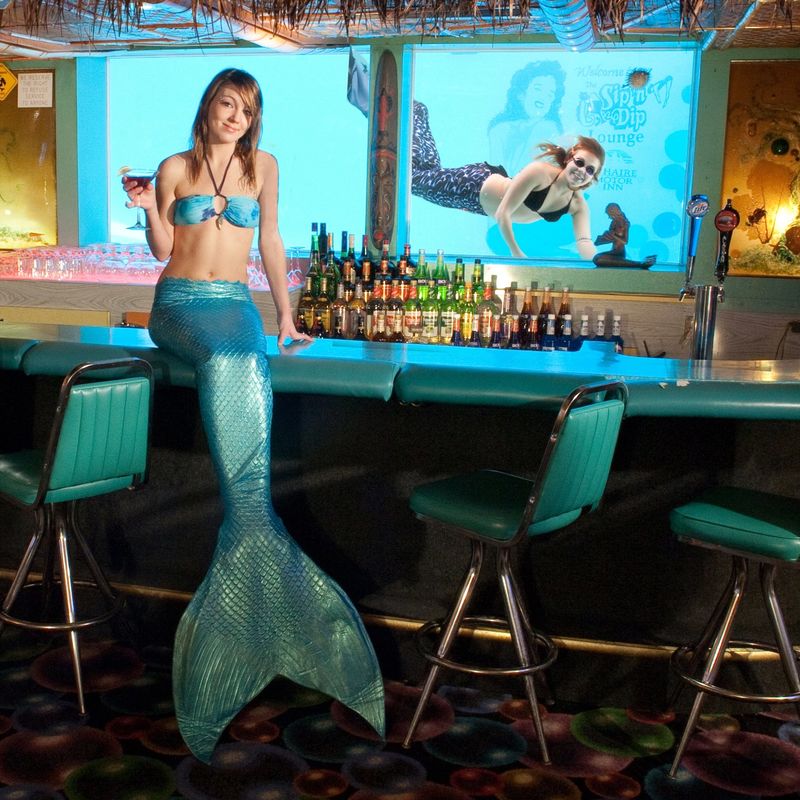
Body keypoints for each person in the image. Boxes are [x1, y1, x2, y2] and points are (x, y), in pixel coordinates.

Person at [122, 68, 385, 763]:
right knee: (229, 360)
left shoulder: (263, 166)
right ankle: (254, 548)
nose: (235, 117)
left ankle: (249, 547)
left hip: (236, 306)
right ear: (207, 107)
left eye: (247, 109)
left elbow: (270, 242)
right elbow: (161, 249)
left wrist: (286, 317)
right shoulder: (174, 167)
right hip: (179, 306)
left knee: (243, 355)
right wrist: (149, 207)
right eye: (226, 104)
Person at [412, 100, 604, 260]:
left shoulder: (577, 204)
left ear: (593, 177)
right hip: (472, 184)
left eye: (590, 170)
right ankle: (416, 111)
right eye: (579, 162)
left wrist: (599, 264)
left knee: (426, 175)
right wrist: (516, 253)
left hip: (478, 206)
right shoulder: (540, 173)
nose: (582, 171)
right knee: (414, 181)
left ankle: (417, 115)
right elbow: (503, 213)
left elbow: (584, 241)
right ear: (569, 159)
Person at [487, 61, 566, 176]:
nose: (543, 97)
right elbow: (495, 172)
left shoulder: (549, 128)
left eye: (550, 94)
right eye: (538, 89)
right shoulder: (499, 130)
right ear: (521, 93)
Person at [592, 202, 657, 268]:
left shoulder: (624, 223)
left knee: (598, 259)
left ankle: (639, 264)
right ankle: (639, 263)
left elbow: (625, 241)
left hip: (619, 253)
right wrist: (602, 239)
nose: (609, 217)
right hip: (613, 251)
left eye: (609, 214)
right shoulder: (613, 222)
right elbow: (609, 239)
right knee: (597, 258)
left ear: (614, 212)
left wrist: (613, 235)